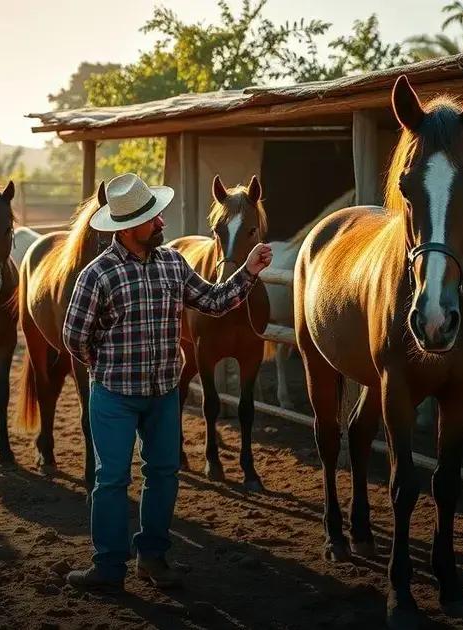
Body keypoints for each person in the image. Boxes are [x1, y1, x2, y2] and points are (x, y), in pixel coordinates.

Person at [62, 173, 272, 591]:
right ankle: (108, 566)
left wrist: (247, 272)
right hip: (115, 397)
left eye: (158, 216)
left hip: (162, 395)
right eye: (152, 219)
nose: (161, 225)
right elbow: (74, 336)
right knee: (112, 480)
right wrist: (105, 369)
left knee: (163, 474)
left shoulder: (174, 264)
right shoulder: (97, 275)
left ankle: (152, 558)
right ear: (126, 227)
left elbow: (213, 301)